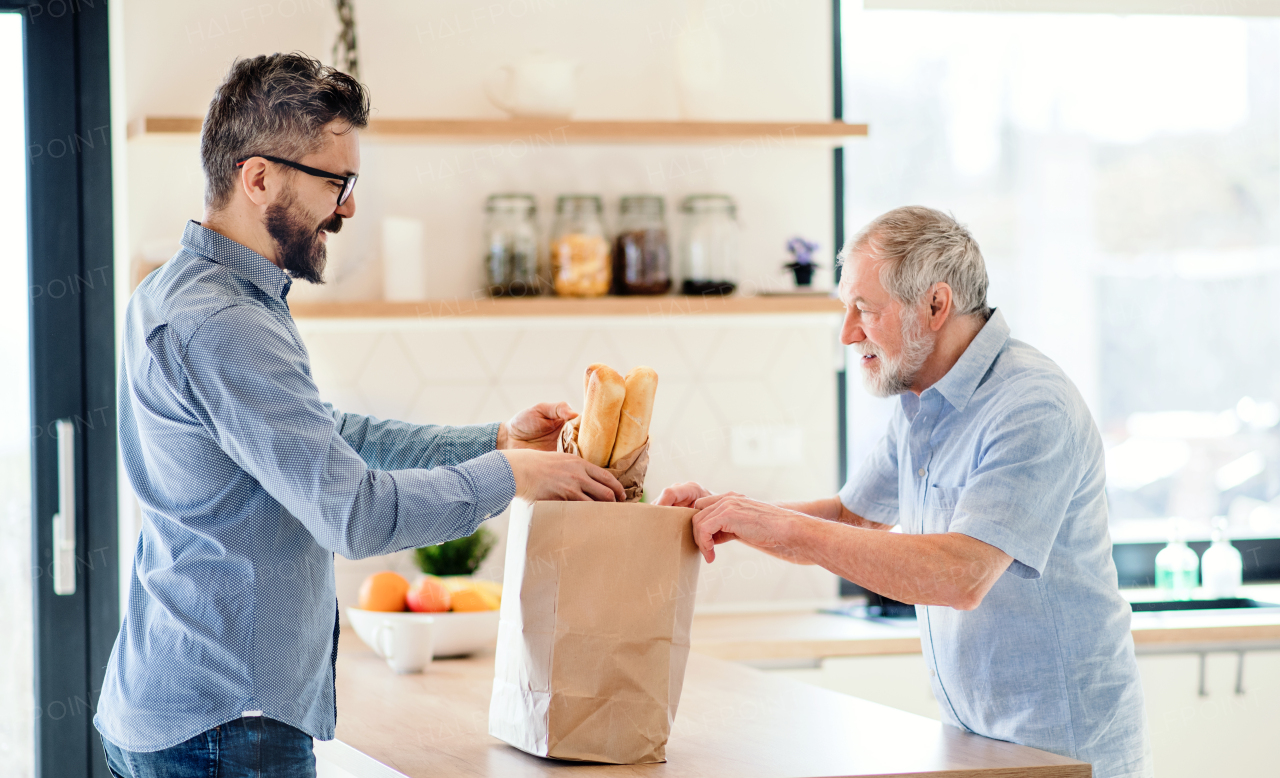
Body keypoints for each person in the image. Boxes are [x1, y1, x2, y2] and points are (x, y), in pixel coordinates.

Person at [94, 53, 623, 777]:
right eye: (335, 182)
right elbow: (356, 515)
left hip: (177, 703)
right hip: (225, 725)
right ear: (258, 178)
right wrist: (511, 475)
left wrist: (496, 438)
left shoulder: (181, 291)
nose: (346, 207)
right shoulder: (226, 322)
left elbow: (325, 437)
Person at [658, 206, 1152, 778]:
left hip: (1066, 753)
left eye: (863, 309)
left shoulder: (1030, 406)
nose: (847, 333)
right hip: (980, 747)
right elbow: (852, 517)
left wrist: (772, 523)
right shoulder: (922, 400)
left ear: (936, 306)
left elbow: (961, 575)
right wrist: (728, 513)